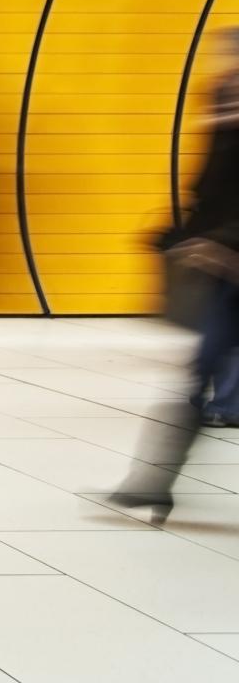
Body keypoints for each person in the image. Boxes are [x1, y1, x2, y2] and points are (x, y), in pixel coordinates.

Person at [110, 29, 239, 521]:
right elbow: (209, 186)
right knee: (200, 368)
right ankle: (154, 482)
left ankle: (154, 481)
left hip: (230, 258)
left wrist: (221, 239)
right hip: (228, 270)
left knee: (206, 367)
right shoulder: (223, 107)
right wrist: (180, 232)